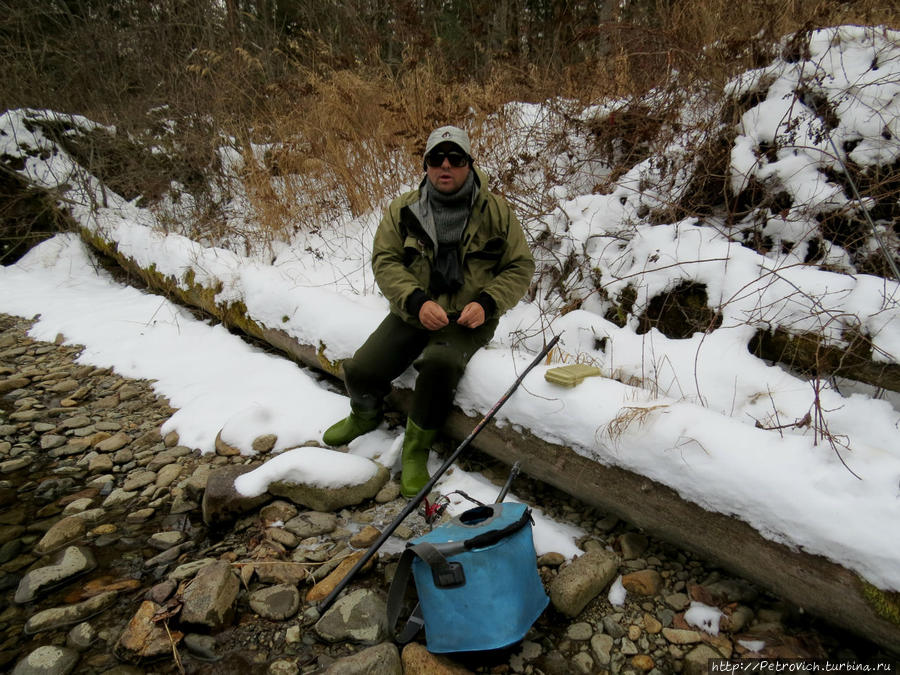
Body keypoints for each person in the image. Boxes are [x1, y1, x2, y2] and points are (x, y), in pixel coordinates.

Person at [322, 125, 534, 497]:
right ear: (426, 166)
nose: (445, 165)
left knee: (439, 365)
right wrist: (416, 301)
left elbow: (520, 266)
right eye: (437, 158)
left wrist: (486, 303)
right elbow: (385, 261)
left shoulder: (497, 212)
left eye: (455, 158)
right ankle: (364, 414)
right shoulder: (403, 210)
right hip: (414, 311)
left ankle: (416, 450)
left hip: (466, 320)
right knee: (360, 369)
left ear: (469, 164)